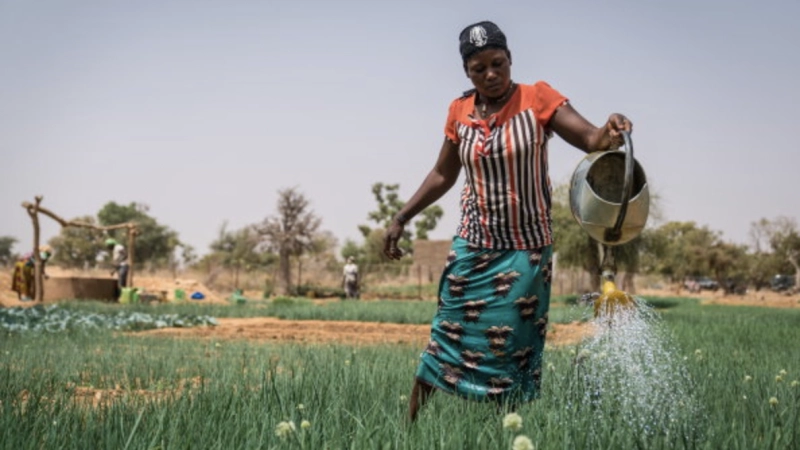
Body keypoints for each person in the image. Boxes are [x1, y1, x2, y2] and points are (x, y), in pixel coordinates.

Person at [383, 21, 633, 421]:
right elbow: (443, 174)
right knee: (444, 338)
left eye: (497, 63)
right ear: (466, 71)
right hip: (473, 245)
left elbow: (591, 139)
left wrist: (611, 127)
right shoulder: (459, 111)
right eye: (479, 68)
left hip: (525, 250)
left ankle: (507, 434)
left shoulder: (537, 99)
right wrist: (401, 217)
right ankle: (407, 433)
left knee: (512, 349)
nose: (490, 74)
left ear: (510, 59)